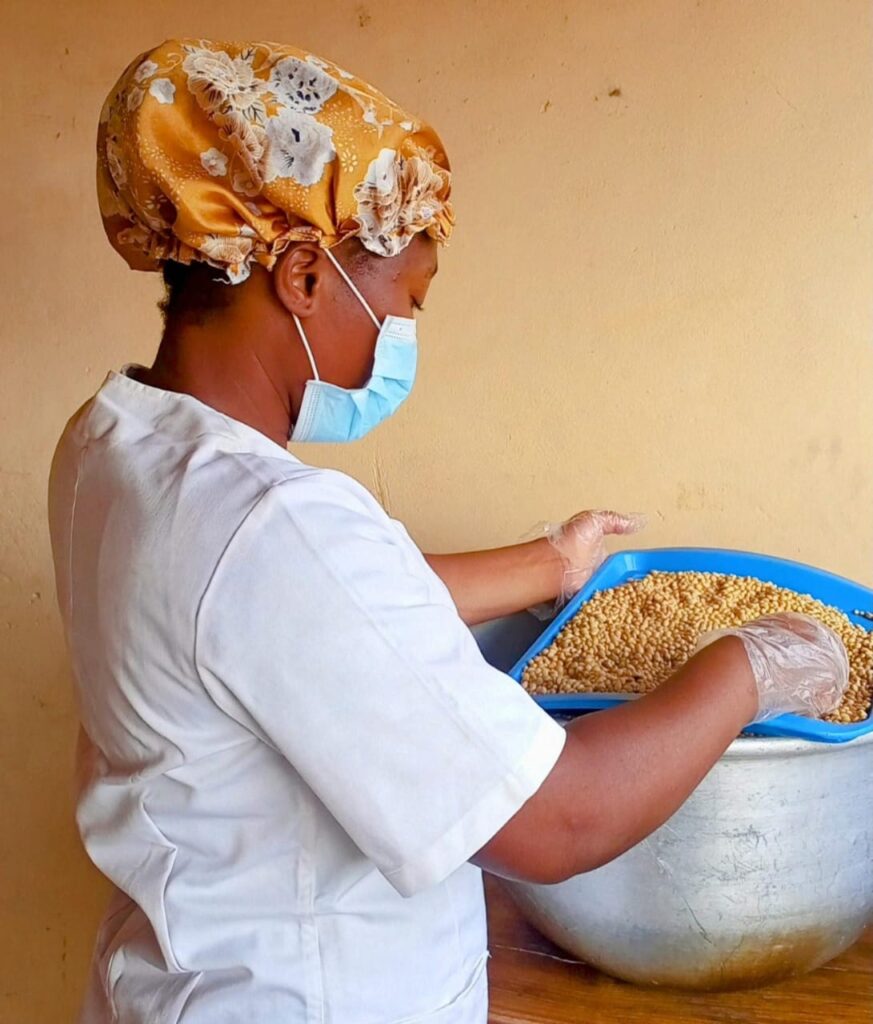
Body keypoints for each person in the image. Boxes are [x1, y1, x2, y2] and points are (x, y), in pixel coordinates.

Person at [48, 39, 849, 1024]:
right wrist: (749, 665)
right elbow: (563, 819)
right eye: (405, 302)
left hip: (179, 978)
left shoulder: (116, 443)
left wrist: (549, 563)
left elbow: (302, 615)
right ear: (302, 275)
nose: (403, 339)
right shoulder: (273, 525)